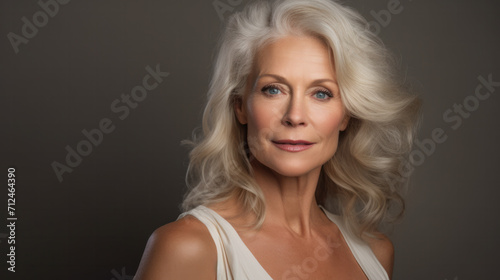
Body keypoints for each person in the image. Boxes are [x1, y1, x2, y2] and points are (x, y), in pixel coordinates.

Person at [134, 0, 420, 279]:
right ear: (239, 105)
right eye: (273, 89)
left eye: (321, 93)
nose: (295, 116)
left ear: (346, 114)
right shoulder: (188, 248)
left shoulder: (376, 252)